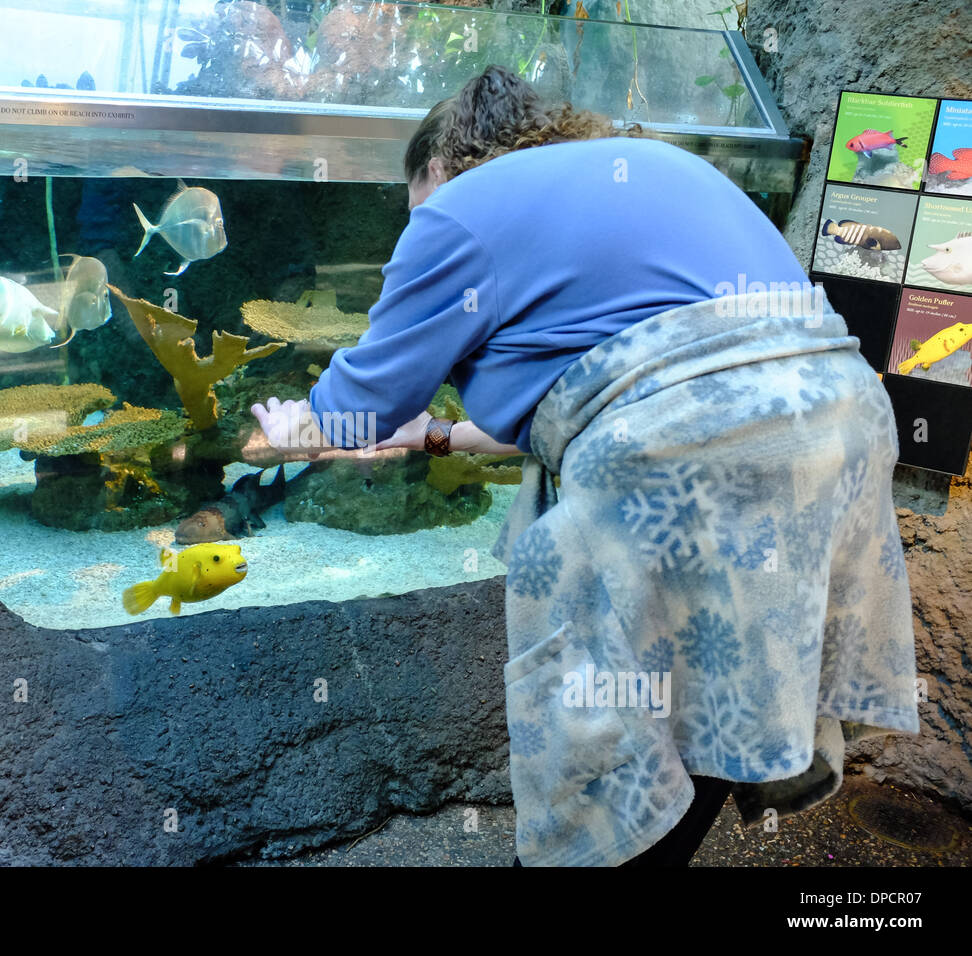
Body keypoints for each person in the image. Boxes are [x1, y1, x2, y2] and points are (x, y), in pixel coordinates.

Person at [251, 66, 920, 867]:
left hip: (691, 449)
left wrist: (291, 429)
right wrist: (430, 437)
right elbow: (622, 389)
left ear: (440, 168)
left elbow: (354, 402)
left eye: (411, 202)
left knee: (606, 716)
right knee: (714, 685)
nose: (413, 225)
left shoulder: (459, 208)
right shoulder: (660, 166)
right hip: (839, 426)